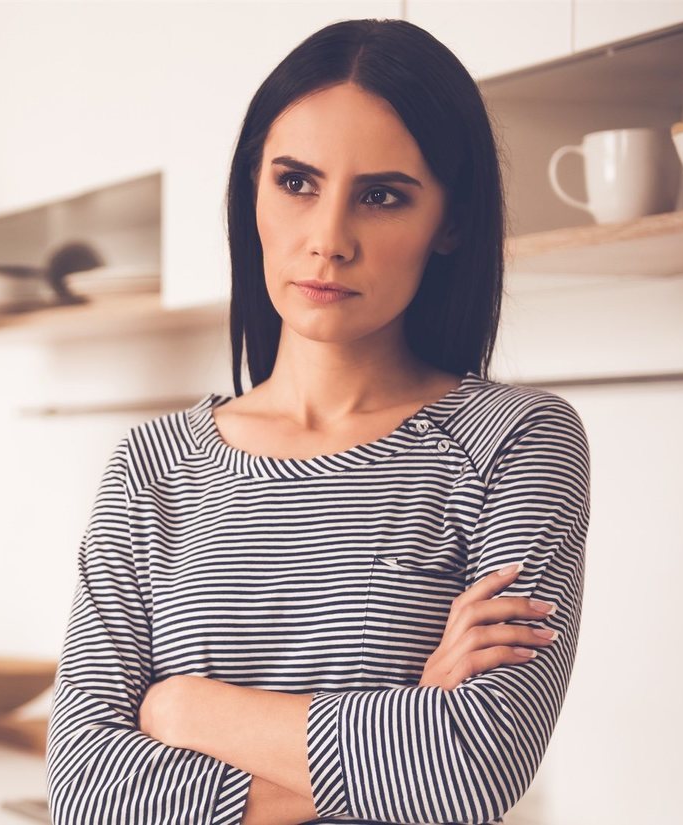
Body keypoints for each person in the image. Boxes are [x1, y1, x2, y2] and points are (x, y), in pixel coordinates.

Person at [46, 19, 587, 825]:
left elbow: (471, 764)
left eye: (381, 196)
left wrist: (184, 709)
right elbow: (87, 789)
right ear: (251, 193)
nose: (328, 240)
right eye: (296, 182)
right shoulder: (152, 465)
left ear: (451, 222)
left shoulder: (516, 443)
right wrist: (404, 720)